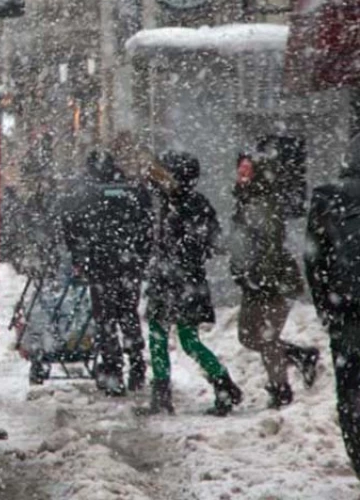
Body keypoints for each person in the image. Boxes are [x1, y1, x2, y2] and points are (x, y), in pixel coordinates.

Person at [141, 151, 242, 416]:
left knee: (165, 336)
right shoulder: (189, 204)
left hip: (174, 281)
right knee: (180, 339)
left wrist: (176, 255)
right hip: (185, 281)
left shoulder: (177, 205)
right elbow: (215, 242)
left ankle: (167, 395)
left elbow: (207, 242)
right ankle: (222, 385)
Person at [59, 149, 153, 396]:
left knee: (106, 319)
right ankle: (137, 364)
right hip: (129, 265)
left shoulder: (87, 194)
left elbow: (70, 223)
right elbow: (147, 225)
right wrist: (140, 257)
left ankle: (113, 370)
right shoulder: (132, 191)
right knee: (129, 315)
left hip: (101, 266)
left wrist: (80, 257)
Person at [230, 151, 319, 408]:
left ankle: (281, 390)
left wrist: (259, 278)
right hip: (254, 281)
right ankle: (300, 355)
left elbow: (268, 246)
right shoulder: (247, 201)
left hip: (269, 282)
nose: (242, 175)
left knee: (267, 338)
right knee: (248, 336)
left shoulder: (262, 204)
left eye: (247, 171)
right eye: (240, 170)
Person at [304, 135, 360, 478]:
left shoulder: (328, 196)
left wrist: (326, 306)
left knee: (351, 384)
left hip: (349, 307)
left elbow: (315, 260)